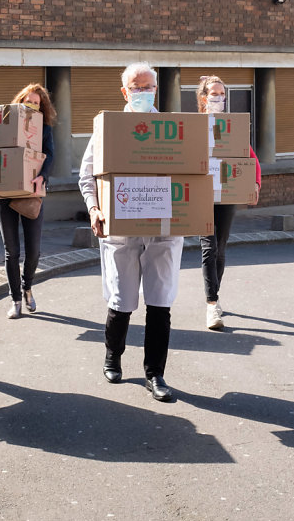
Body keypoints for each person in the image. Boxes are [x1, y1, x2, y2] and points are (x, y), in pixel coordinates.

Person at [78, 62, 182, 402]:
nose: (143, 93)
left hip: (164, 226)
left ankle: (155, 374)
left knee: (160, 300)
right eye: (137, 88)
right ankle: (113, 354)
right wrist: (94, 208)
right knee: (122, 298)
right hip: (121, 225)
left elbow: (194, 173)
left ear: (157, 90)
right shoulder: (108, 128)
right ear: (125, 92)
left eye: (148, 87)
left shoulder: (174, 130)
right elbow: (87, 174)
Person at [196, 75, 261, 330]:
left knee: (220, 249)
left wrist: (254, 182)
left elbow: (250, 155)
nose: (219, 99)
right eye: (214, 94)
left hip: (226, 193)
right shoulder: (194, 125)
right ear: (204, 98)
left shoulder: (231, 126)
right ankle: (212, 304)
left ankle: (215, 294)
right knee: (209, 248)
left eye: (222, 94)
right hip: (203, 194)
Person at [0, 83, 56, 318]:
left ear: (42, 107)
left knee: (34, 251)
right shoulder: (6, 125)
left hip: (32, 192)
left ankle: (27, 286)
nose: (31, 105)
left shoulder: (45, 128)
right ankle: (16, 301)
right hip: (5, 195)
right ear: (20, 101)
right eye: (28, 100)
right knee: (11, 251)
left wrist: (43, 177)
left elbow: (50, 155)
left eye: (36, 102)